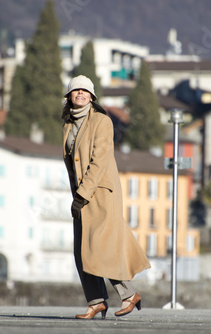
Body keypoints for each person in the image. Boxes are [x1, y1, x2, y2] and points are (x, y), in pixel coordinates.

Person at [61, 75, 151, 319]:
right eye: (75, 90)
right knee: (81, 251)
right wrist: (77, 196)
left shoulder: (102, 121)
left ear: (92, 97)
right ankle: (96, 301)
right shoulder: (68, 125)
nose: (80, 93)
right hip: (81, 196)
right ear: (69, 96)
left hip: (100, 194)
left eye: (84, 90)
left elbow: (99, 162)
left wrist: (82, 195)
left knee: (101, 249)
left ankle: (129, 294)